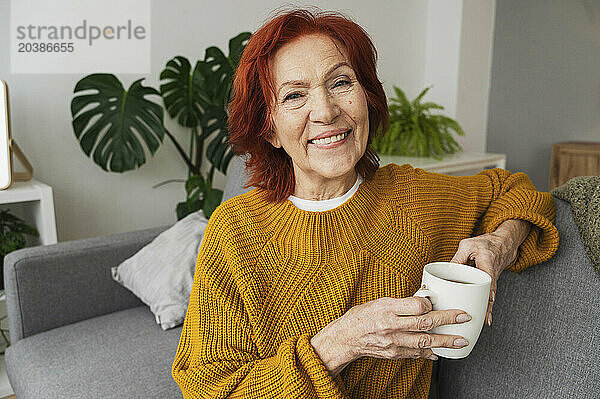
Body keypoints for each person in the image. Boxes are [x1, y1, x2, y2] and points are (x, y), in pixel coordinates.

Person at [172, 8, 559, 399]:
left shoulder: (412, 197)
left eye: (341, 82)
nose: (325, 112)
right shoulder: (234, 231)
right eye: (294, 95)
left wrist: (499, 243)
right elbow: (208, 389)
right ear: (269, 129)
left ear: (367, 99)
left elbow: (517, 191)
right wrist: (338, 344)